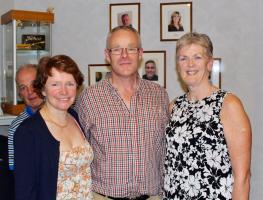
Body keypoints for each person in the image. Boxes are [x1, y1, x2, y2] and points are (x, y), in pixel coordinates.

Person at [75, 26, 170, 199]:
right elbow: (79, 153)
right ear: (107, 55)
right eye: (117, 49)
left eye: (131, 49)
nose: (124, 55)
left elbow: (164, 150)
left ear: (140, 53)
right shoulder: (89, 98)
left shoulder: (159, 95)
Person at [164, 32, 252, 199]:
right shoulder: (174, 107)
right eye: (183, 58)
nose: (190, 64)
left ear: (209, 64)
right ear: (177, 65)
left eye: (197, 57)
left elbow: (243, 177)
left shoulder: (228, 104)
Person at [14, 55, 93, 200]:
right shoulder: (28, 132)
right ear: (43, 89)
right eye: (55, 84)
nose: (64, 91)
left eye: (70, 83)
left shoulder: (74, 116)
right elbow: (25, 193)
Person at [8, 63, 45, 171]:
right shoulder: (17, 127)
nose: (30, 91)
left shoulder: (62, 117)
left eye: (34, 84)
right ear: (20, 94)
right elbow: (15, 172)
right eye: (23, 87)